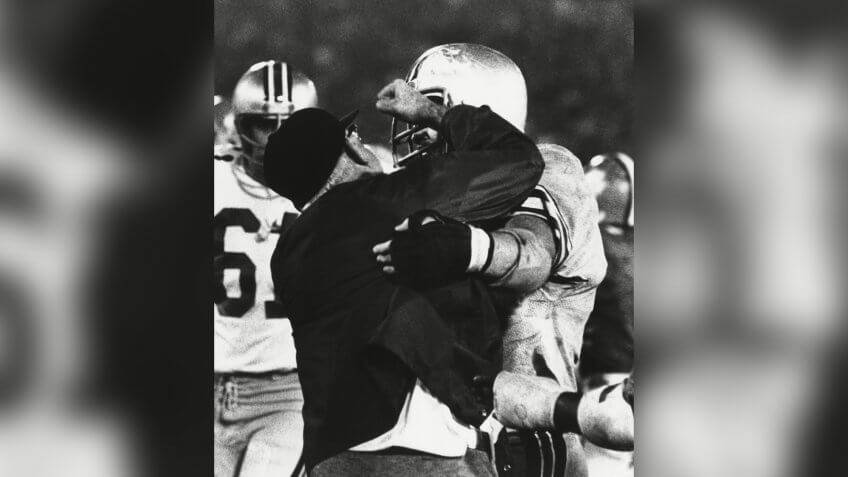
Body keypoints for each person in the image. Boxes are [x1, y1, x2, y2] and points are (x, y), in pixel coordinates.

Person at [266, 79, 544, 476]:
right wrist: (433, 113)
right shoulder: (383, 201)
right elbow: (521, 161)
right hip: (417, 451)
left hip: (331, 457)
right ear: (346, 148)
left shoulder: (289, 251)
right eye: (354, 135)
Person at [373, 43, 623, 476]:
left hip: (525, 441)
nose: (413, 128)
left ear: (483, 109)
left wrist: (464, 247)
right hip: (443, 439)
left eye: (429, 108)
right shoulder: (437, 190)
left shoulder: (548, 167)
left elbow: (532, 256)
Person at [214, 60, 317, 477]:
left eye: (289, 126)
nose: (275, 140)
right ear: (241, 126)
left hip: (287, 392)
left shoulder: (331, 189)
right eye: (264, 125)